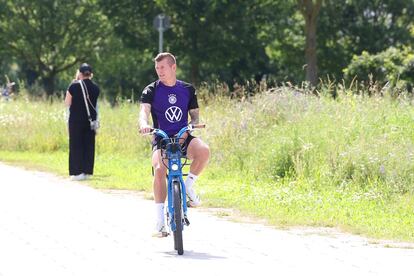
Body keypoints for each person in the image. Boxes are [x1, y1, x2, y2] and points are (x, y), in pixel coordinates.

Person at [139, 52, 210, 237]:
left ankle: (188, 187)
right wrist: (144, 124)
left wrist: (192, 124)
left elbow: (194, 115)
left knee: (203, 151)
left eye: (162, 67)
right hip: (162, 138)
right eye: (157, 68)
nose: (159, 71)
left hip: (183, 136)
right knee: (160, 169)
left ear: (173, 67)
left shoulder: (187, 89)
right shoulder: (151, 90)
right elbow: (144, 111)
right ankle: (160, 222)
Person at [64, 63, 100, 181]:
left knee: (76, 145)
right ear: (91, 74)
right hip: (91, 122)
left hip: (75, 121)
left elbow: (67, 103)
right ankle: (87, 171)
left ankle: (77, 172)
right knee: (89, 145)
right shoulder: (96, 88)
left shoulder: (73, 87)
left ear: (80, 73)